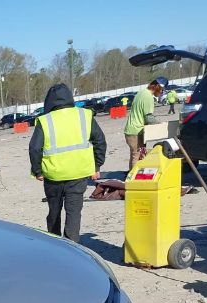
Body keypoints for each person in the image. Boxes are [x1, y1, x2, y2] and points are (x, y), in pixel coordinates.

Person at [29, 83, 107, 242]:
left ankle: (54, 244)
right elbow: (100, 140)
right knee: (73, 213)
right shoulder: (84, 115)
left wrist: (37, 171)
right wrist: (96, 165)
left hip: (53, 176)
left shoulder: (44, 121)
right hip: (78, 174)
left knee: (54, 212)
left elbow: (34, 148)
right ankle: (72, 247)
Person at [124, 76, 167, 170]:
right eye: (161, 90)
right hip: (135, 131)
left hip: (132, 130)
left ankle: (136, 175)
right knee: (137, 155)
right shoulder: (148, 97)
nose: (161, 93)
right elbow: (149, 118)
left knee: (138, 155)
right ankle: (133, 180)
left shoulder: (141, 92)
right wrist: (162, 124)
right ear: (157, 87)